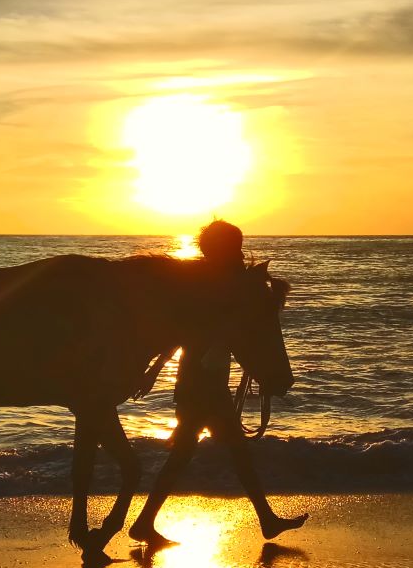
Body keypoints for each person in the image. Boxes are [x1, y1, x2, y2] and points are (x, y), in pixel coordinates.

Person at [128, 221, 309, 550]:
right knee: (219, 453)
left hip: (206, 379)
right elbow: (184, 333)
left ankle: (145, 523)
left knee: (205, 453)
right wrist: (154, 370)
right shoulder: (207, 284)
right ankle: (145, 523)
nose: (238, 252)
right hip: (201, 382)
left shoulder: (219, 281)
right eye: (233, 245)